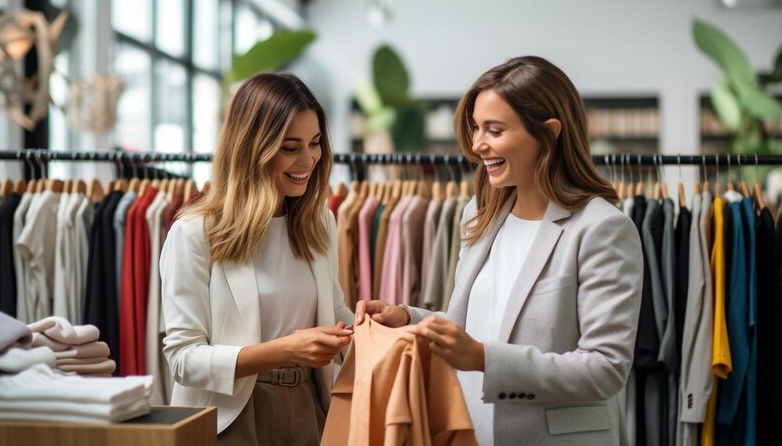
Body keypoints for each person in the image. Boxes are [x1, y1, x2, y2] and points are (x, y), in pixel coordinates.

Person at [356, 56, 643, 446]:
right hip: (471, 431)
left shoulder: (601, 228)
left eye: (494, 129)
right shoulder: (481, 213)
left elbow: (605, 368)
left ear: (550, 133)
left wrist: (483, 359)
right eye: (475, 128)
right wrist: (407, 317)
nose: (477, 145)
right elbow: (476, 323)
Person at [160, 73, 354, 446]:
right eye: (290, 147)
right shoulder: (194, 233)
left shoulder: (319, 222)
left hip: (310, 406)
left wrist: (367, 327)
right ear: (254, 147)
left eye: (314, 144)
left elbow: (334, 308)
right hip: (230, 414)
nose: (308, 159)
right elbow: (183, 358)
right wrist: (281, 351)